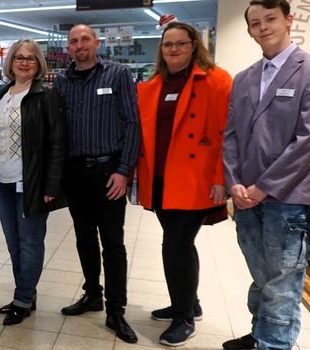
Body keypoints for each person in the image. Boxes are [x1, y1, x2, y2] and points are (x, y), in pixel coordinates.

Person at [221, 1, 310, 349]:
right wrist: (234, 182)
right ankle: (260, 335)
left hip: (287, 198)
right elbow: (231, 136)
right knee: (262, 276)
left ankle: (274, 343)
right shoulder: (243, 79)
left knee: (282, 281)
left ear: (288, 20)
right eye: (255, 23)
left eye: (270, 19)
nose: (263, 27)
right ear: (250, 30)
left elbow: (308, 140)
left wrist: (263, 187)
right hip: (245, 198)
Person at [135, 21, 232, 347]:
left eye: (180, 43)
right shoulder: (154, 84)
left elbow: (226, 135)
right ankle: (190, 303)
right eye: (167, 45)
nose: (173, 49)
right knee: (178, 243)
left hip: (195, 180)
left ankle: (184, 317)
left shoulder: (216, 81)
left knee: (176, 245)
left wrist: (222, 179)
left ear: (194, 46)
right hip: (160, 178)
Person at [53, 24, 141, 344]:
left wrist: (124, 170)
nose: (80, 46)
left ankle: (116, 310)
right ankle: (92, 294)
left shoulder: (117, 75)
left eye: (85, 39)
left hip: (109, 174)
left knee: (113, 244)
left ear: (97, 43)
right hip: (76, 174)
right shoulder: (62, 82)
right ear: (68, 47)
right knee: (84, 238)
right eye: (74, 41)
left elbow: (132, 124)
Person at [0, 39, 67, 326]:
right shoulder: (4, 91)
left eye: (31, 58)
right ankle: (26, 293)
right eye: (19, 57)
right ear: (11, 61)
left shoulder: (45, 94)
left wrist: (51, 186)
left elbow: (57, 142)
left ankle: (22, 297)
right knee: (14, 243)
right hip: (3, 181)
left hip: (30, 181)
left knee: (30, 242)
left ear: (39, 63)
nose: (24, 62)